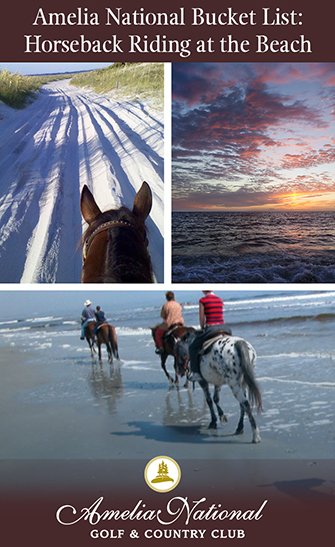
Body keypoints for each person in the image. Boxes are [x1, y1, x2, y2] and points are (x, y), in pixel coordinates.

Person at [188, 291, 232, 382]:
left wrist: (203, 327)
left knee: (192, 347)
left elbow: (202, 319)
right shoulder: (219, 299)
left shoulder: (203, 300)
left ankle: (196, 373)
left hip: (211, 329)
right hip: (225, 328)